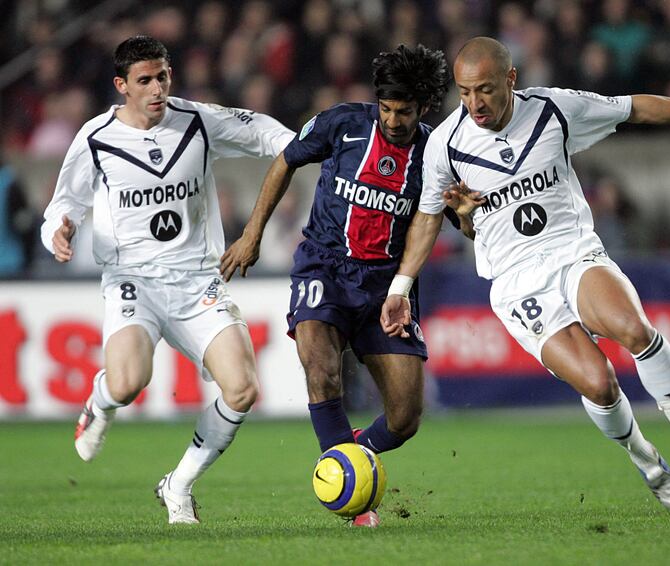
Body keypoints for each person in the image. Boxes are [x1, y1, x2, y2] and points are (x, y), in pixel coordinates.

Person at [382, 37, 670, 517]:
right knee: (600, 384)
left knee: (634, 329)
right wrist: (403, 285)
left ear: (510, 79)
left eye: (484, 90)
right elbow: (430, 219)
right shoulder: (444, 144)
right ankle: (648, 462)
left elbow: (636, 109)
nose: (474, 104)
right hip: (517, 282)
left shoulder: (554, 110)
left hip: (572, 252)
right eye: (464, 93)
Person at [40, 35, 295, 524]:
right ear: (122, 86)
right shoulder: (95, 138)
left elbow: (260, 130)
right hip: (133, 279)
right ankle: (101, 400)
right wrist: (60, 229)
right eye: (144, 81)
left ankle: (178, 485)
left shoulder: (196, 121)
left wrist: (302, 145)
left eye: (163, 77)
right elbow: (63, 204)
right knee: (130, 381)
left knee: (242, 389)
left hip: (199, 280)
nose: (157, 89)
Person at [221, 44, 450, 527]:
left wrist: (469, 213)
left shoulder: (435, 152)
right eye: (386, 108)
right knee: (320, 367)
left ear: (423, 108)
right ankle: (351, 495)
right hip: (325, 267)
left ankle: (345, 460)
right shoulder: (342, 123)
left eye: (403, 112)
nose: (392, 120)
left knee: (406, 417)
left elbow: (455, 216)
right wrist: (252, 232)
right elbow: (285, 161)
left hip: (387, 288)